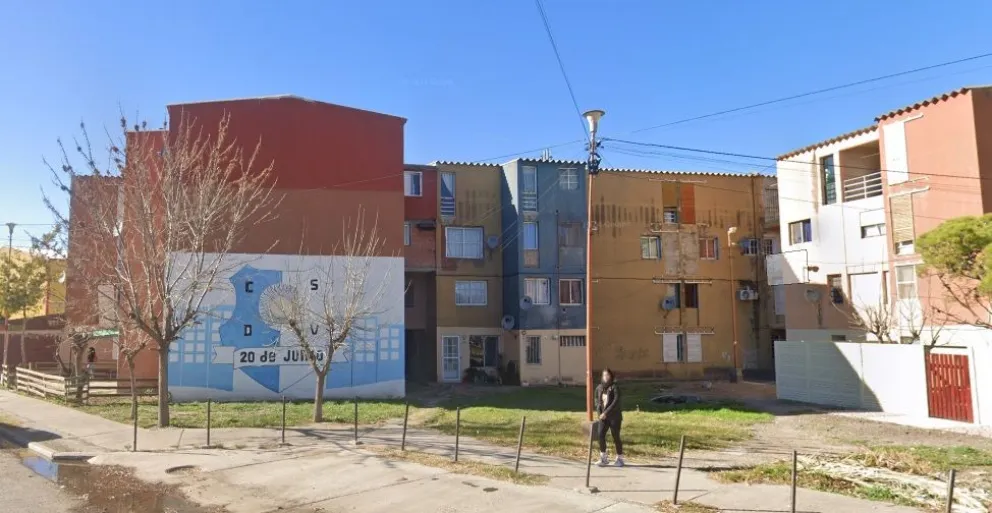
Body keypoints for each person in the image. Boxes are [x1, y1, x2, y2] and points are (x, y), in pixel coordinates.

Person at [594, 367, 624, 467]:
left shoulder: (615, 387)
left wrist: (606, 413)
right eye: (604, 375)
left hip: (614, 417)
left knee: (616, 436)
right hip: (603, 417)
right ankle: (603, 458)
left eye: (607, 375)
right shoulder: (599, 387)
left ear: (611, 376)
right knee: (600, 434)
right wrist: (600, 413)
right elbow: (597, 400)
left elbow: (615, 402)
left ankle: (620, 459)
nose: (605, 377)